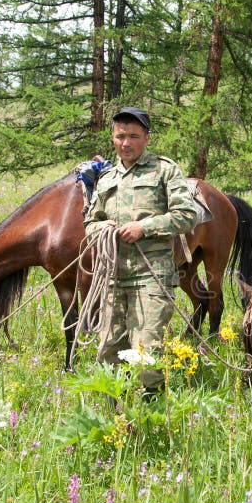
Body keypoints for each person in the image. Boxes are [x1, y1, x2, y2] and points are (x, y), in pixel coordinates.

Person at [84, 106, 197, 395]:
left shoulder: (164, 170)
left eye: (133, 136)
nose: (126, 143)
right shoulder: (106, 179)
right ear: (113, 138)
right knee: (109, 351)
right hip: (112, 277)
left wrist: (144, 227)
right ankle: (115, 414)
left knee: (146, 352)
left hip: (152, 277)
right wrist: (100, 229)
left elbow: (187, 215)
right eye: (120, 136)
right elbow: (90, 223)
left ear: (147, 138)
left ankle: (151, 414)